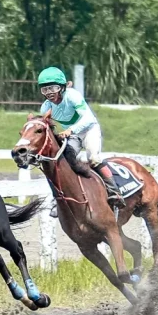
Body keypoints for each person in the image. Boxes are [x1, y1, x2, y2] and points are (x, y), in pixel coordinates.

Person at [37, 66, 123, 217]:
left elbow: (88, 118)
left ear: (62, 87)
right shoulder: (46, 107)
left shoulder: (72, 95)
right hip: (73, 135)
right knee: (61, 164)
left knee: (94, 159)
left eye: (53, 88)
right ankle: (59, 199)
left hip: (89, 129)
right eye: (45, 89)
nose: (49, 93)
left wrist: (70, 130)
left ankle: (114, 192)